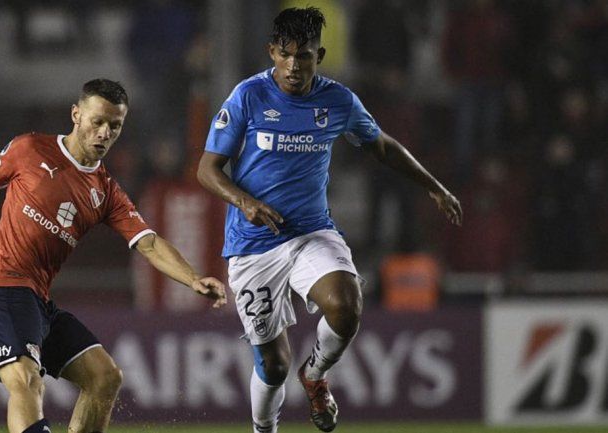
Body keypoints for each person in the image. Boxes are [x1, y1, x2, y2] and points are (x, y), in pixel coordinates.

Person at [197, 7, 461, 433]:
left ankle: (316, 374)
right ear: (272, 52)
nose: (294, 66)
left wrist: (433, 185)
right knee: (273, 364)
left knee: (346, 305)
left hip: (311, 233)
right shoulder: (248, 96)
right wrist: (244, 202)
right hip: (253, 244)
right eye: (286, 55)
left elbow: (383, 146)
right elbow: (207, 170)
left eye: (304, 56)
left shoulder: (337, 100)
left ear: (318, 55)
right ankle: (264, 429)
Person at [0, 79, 227, 433]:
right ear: (76, 115)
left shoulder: (105, 191)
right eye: (98, 121)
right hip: (1, 289)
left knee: (105, 378)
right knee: (27, 381)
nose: (105, 133)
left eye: (115, 126)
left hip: (38, 302)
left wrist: (193, 278)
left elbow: (149, 243)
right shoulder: (29, 148)